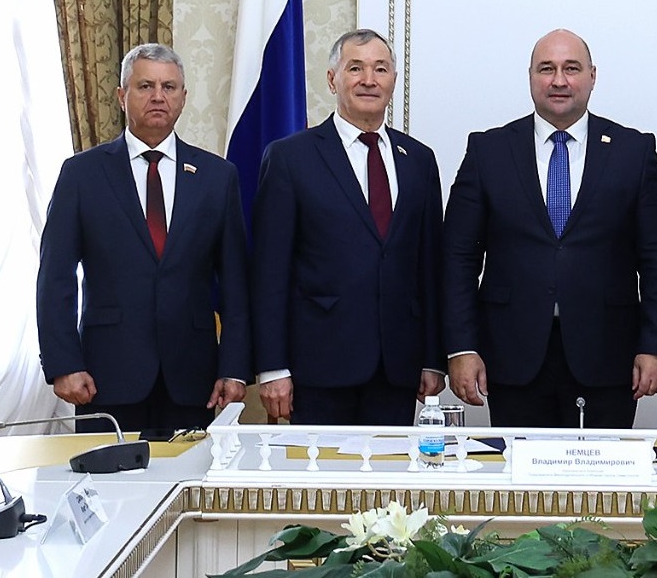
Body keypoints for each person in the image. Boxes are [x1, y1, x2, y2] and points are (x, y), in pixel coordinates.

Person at [441, 28, 657, 427]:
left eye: (571, 68)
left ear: (592, 76)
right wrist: (461, 347)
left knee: (602, 470)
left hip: (608, 355)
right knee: (520, 470)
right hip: (511, 354)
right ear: (530, 76)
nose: (559, 80)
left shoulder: (634, 152)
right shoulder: (488, 151)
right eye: (546, 69)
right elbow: (458, 258)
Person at [36, 43, 251, 433]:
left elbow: (236, 283)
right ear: (122, 96)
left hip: (192, 380)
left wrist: (234, 367)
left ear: (183, 98)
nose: (158, 96)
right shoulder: (81, 175)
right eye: (145, 86)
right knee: (109, 473)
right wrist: (64, 363)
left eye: (169, 87)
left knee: (187, 472)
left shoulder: (217, 177)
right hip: (105, 376)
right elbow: (55, 277)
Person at [251, 28, 444, 424]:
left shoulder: (419, 160)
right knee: (319, 469)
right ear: (332, 79)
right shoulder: (290, 158)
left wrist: (433, 357)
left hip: (397, 368)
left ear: (393, 80)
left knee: (391, 468)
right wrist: (272, 367)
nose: (369, 80)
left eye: (380, 69)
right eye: (355, 68)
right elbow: (269, 271)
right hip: (318, 367)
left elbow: (430, 267)